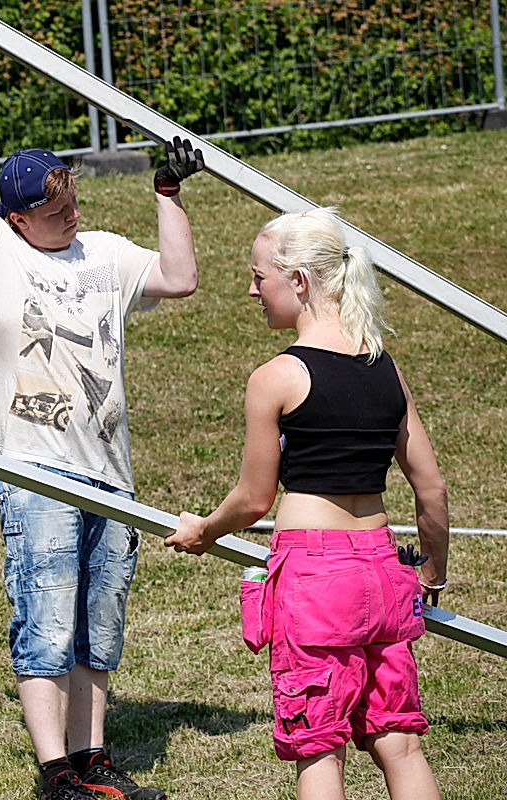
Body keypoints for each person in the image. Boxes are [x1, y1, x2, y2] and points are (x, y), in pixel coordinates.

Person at [0, 4, 204, 798]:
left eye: (71, 200)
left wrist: (169, 188)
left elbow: (179, 278)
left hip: (109, 469)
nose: (70, 214)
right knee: (46, 611)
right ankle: (55, 773)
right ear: (16, 217)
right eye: (52, 210)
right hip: (33, 465)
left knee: (100, 618)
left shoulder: (105, 254)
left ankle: (94, 758)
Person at [163, 207, 449, 800]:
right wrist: (432, 575)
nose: (251, 289)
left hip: (316, 579)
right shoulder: (385, 371)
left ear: (298, 280)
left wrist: (204, 531)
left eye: (258, 276)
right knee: (400, 740)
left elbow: (252, 497)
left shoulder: (277, 377)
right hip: (382, 569)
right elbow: (432, 491)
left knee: (317, 744)